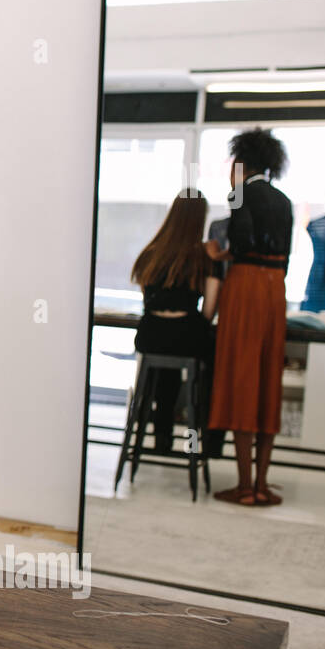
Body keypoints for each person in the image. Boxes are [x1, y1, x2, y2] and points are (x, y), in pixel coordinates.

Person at [205, 127, 293, 505]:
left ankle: (243, 487)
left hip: (245, 288)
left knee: (241, 376)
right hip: (275, 290)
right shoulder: (284, 201)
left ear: (242, 163)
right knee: (268, 377)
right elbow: (285, 257)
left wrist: (217, 255)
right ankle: (262, 483)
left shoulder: (240, 193)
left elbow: (240, 244)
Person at [130, 190, 219, 454]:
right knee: (211, 359)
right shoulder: (204, 257)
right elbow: (209, 310)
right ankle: (206, 435)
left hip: (150, 333)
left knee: (163, 371)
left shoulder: (151, 254)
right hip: (186, 334)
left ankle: (161, 433)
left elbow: (148, 297)